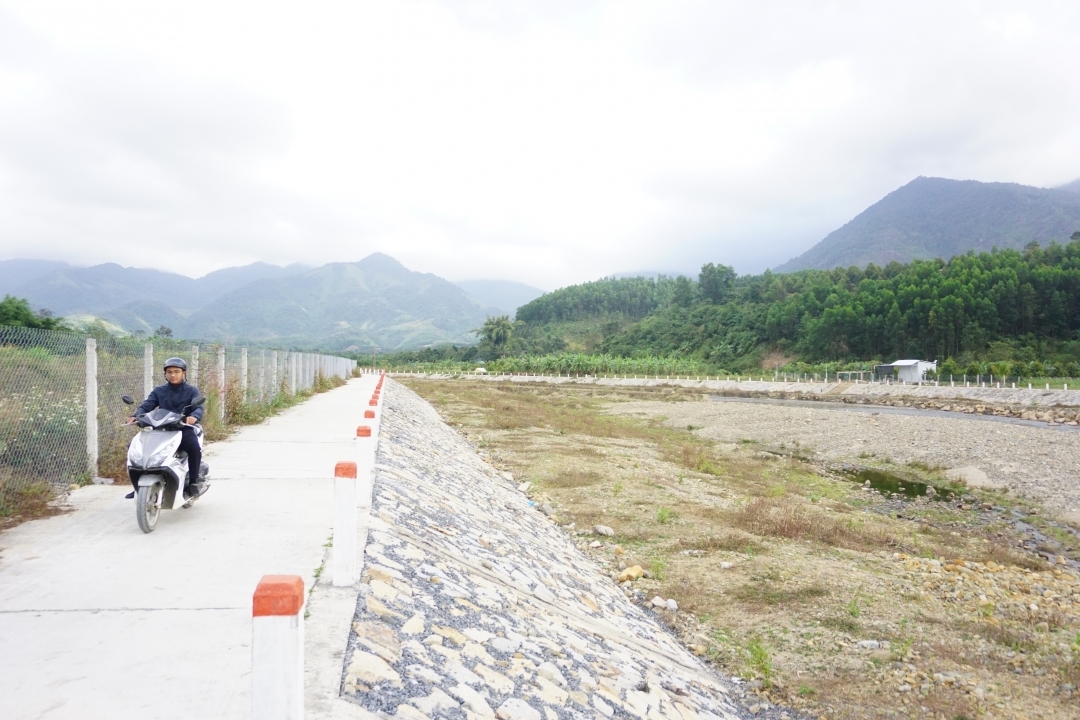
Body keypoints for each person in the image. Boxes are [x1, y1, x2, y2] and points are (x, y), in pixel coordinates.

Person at [125, 357, 205, 499]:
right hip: (160, 429)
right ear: (165, 374)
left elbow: (198, 408)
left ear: (184, 373)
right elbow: (147, 405)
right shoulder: (159, 390)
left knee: (194, 447)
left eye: (176, 371)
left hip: (182, 428)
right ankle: (138, 485)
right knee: (134, 447)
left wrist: (194, 416)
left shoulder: (192, 391)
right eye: (169, 372)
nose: (173, 375)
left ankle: (193, 482)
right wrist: (135, 416)